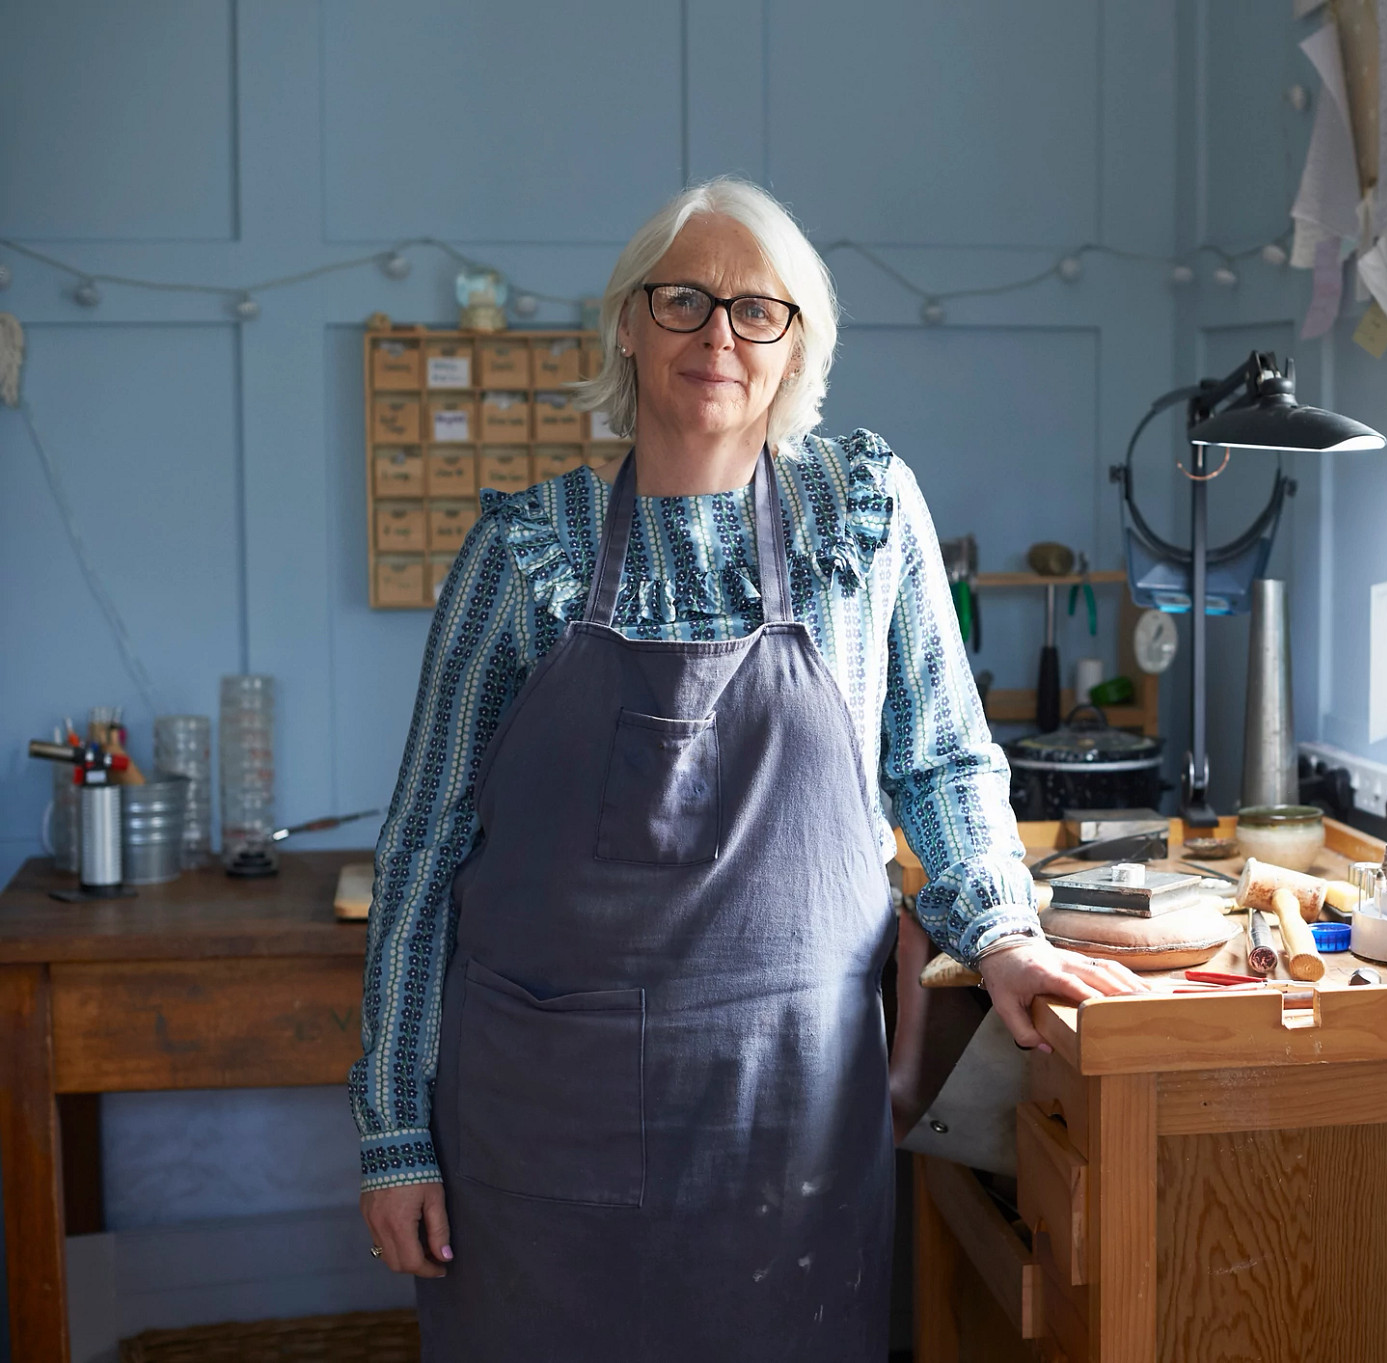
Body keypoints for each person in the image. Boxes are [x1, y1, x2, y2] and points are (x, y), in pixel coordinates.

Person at [348, 176, 1146, 1359]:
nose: (718, 333)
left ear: (794, 348)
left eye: (755, 309)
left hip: (789, 1113)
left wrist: (1004, 931)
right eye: (684, 299)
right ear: (628, 322)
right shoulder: (522, 553)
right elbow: (419, 852)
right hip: (538, 1123)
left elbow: (938, 758)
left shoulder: (862, 516)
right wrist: (394, 1137)